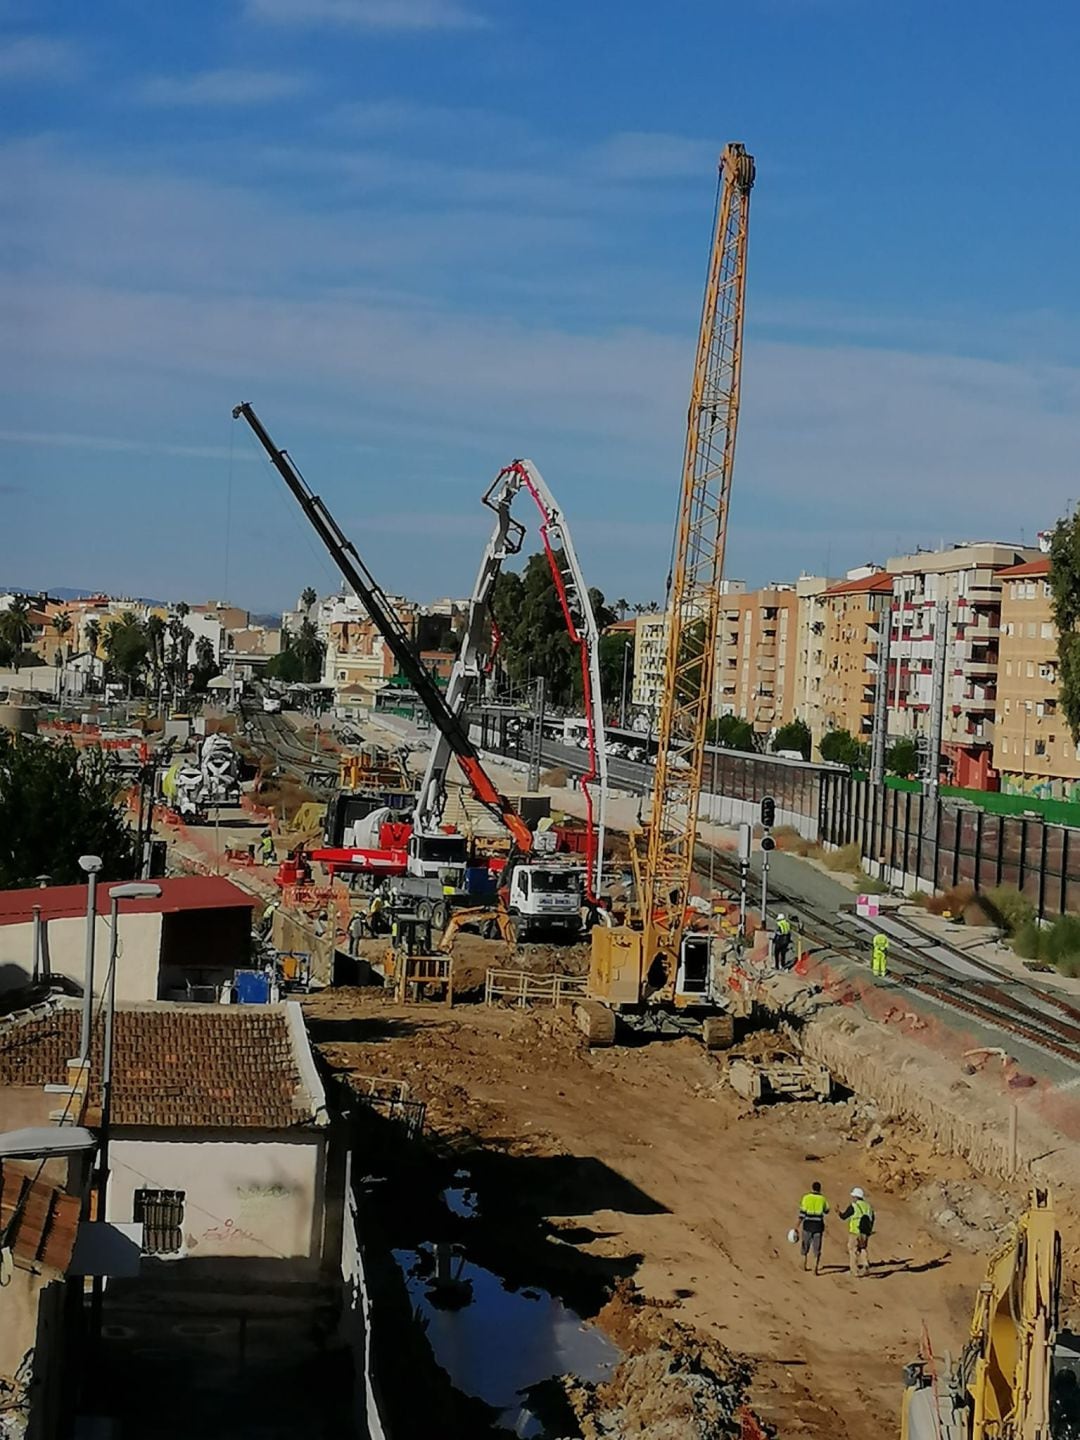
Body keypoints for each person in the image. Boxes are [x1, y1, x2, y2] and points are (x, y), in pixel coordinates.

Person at [795, 1180, 829, 1274]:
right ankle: (815, 1268)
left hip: (807, 1225)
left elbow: (802, 1214)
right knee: (817, 1247)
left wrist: (796, 1226)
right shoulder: (823, 1199)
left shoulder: (806, 1198)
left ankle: (803, 1264)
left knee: (805, 1245)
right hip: (818, 1226)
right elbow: (826, 1210)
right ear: (820, 1189)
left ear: (812, 1188)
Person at [839, 1187, 875, 1277]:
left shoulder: (854, 1206)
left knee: (852, 1250)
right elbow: (872, 1219)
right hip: (865, 1232)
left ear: (855, 1197)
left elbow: (844, 1216)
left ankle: (853, 1270)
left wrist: (838, 1212)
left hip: (855, 1231)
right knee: (863, 1248)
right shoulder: (868, 1206)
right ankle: (865, 1264)